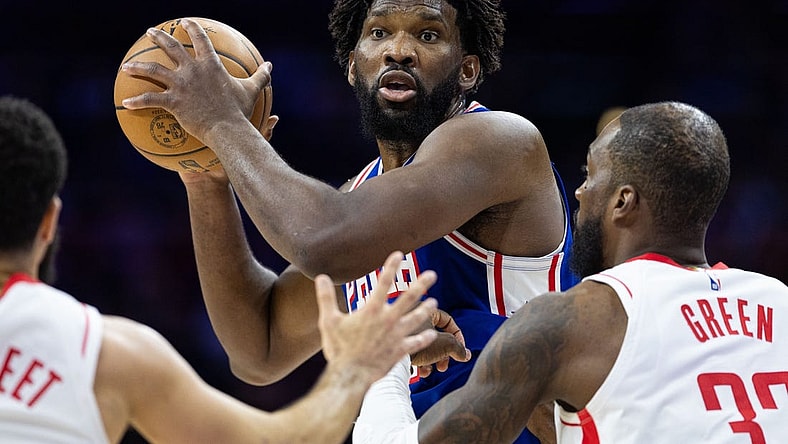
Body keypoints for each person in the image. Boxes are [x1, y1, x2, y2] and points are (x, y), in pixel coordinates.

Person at [120, 2, 578, 441]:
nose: (398, 50)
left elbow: (324, 242)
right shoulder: (359, 201)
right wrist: (207, 178)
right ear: (354, 67)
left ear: (467, 70)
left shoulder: (501, 142)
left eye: (428, 34)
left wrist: (222, 122)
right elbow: (258, 347)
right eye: (379, 33)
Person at [0, 95, 440, 444]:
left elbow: (259, 349)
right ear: (49, 221)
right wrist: (357, 366)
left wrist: (204, 177)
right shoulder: (105, 354)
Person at [350, 101, 788, 443]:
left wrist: (387, 356)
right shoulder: (777, 300)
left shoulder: (573, 322)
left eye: (590, 174)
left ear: (623, 202)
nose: (578, 191)